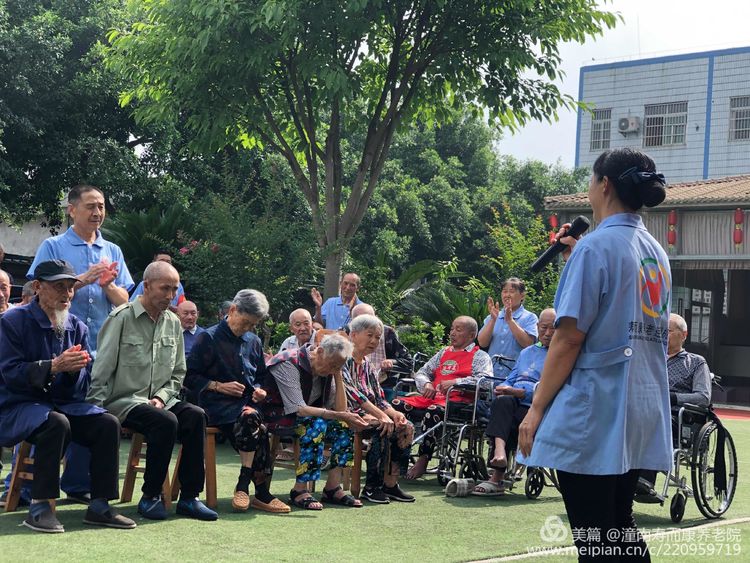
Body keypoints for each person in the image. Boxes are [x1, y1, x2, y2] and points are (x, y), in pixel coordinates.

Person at [520, 148, 672, 562]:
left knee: (596, 537)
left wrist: (536, 408)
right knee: (619, 524)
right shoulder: (654, 251)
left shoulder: (596, 248)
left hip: (596, 407)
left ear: (604, 185)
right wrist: (577, 256)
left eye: (591, 179)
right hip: (638, 405)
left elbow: (568, 339)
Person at [0, 260, 135, 532]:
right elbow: (10, 373)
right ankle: (40, 506)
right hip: (17, 405)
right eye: (59, 287)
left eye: (71, 287)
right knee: (56, 422)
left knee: (107, 423)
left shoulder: (77, 327)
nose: (67, 294)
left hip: (60, 405)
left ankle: (100, 505)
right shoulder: (12, 321)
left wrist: (74, 372)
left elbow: (79, 391)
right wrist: (53, 366)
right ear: (38, 287)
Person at [26, 184, 134, 503]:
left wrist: (108, 285)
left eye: (101, 206)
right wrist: (84, 278)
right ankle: (23, 487)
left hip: (100, 349)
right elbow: (35, 291)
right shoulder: (53, 245)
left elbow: (124, 301)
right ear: (72, 210)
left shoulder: (112, 250)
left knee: (89, 413)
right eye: (90, 206)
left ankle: (76, 485)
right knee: (42, 412)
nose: (97, 212)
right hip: (53, 347)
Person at [88, 261, 217, 521]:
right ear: (146, 286)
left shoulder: (173, 322)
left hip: (161, 400)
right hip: (123, 401)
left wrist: (161, 397)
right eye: (165, 288)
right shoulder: (121, 318)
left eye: (174, 289)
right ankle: (151, 495)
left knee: (196, 416)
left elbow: (178, 373)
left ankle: (190, 497)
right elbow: (102, 367)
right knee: (165, 421)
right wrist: (95, 409)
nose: (170, 296)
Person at [185, 289, 291, 514]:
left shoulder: (253, 341)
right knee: (255, 424)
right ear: (233, 310)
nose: (247, 328)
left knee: (254, 421)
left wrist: (261, 390)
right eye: (245, 322)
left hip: (247, 405)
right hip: (216, 405)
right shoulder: (208, 337)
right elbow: (189, 376)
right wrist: (217, 385)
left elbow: (261, 376)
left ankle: (247, 486)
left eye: (252, 325)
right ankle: (257, 490)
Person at [265, 333, 370, 510]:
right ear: (319, 351)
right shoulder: (288, 362)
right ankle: (299, 490)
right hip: (278, 416)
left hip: (309, 417)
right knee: (316, 424)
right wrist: (339, 415)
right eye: (332, 365)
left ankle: (332, 488)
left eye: (337, 366)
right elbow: (299, 408)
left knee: (344, 425)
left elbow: (341, 410)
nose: (332, 369)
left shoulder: (329, 370)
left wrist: (338, 375)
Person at [392, 316, 492, 480]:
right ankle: (396, 456)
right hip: (433, 397)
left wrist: (456, 382)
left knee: (433, 411)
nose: (452, 333)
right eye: (452, 329)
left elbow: (486, 381)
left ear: (471, 335)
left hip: (459, 402)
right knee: (396, 405)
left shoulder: (480, 356)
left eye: (458, 330)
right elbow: (422, 372)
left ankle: (424, 458)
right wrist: (426, 384)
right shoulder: (443, 352)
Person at [472, 308, 556, 496]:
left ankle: (497, 476)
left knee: (507, 415)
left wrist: (519, 392)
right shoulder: (526, 352)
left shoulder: (560, 355)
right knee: (502, 402)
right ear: (537, 327)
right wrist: (504, 387)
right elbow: (512, 378)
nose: (548, 333)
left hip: (538, 407)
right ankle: (500, 453)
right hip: (513, 402)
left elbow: (550, 388)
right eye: (544, 328)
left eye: (553, 328)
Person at [636, 312, 712, 498]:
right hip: (644, 409)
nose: (662, 334)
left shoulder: (696, 362)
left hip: (677, 417)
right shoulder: (650, 358)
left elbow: (703, 397)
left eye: (667, 331)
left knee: (654, 419)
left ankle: (644, 480)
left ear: (683, 335)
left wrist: (672, 398)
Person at [343, 314, 415, 503]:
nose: (374, 341)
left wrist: (394, 414)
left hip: (371, 412)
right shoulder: (343, 360)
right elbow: (355, 396)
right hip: (348, 412)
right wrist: (382, 416)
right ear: (354, 334)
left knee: (405, 426)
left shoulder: (368, 364)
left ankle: (390, 485)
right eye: (370, 335)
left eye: (377, 337)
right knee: (382, 426)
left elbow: (379, 398)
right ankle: (371, 486)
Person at [477, 278, 538, 379]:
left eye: (512, 291)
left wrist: (510, 320)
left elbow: (528, 343)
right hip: (491, 374)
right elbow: (482, 343)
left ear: (522, 295)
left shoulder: (530, 317)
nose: (507, 295)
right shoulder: (493, 316)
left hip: (516, 376)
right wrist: (493, 320)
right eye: (505, 291)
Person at [350, 303, 411, 387]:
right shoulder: (345, 333)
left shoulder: (387, 333)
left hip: (382, 384)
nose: (373, 341)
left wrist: (391, 362)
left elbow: (408, 361)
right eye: (362, 321)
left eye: (377, 337)